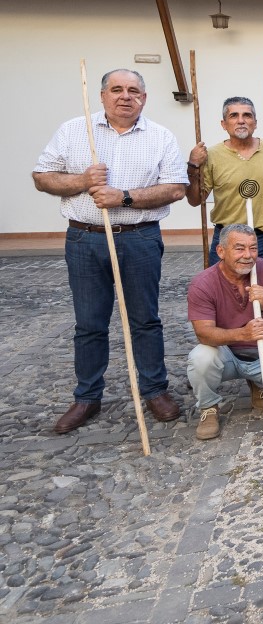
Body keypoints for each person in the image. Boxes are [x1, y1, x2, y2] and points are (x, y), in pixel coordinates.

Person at [34, 68, 188, 434]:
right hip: (85, 239)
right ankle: (87, 397)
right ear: (102, 96)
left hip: (140, 238)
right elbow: (43, 177)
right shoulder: (74, 130)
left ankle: (154, 390)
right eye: (116, 90)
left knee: (145, 320)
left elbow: (176, 188)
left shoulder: (161, 137)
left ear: (144, 98)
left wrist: (126, 197)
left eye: (134, 91)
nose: (125, 96)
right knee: (89, 323)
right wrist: (82, 182)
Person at [186, 96, 263, 351]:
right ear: (224, 123)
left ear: (255, 121)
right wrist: (193, 166)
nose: (241, 120)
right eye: (234, 116)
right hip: (226, 239)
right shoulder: (213, 155)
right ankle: (222, 354)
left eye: (247, 115)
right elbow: (196, 200)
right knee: (221, 294)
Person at [186, 224, 263, 440]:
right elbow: (203, 334)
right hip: (224, 352)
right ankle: (208, 407)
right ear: (221, 251)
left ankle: (257, 381)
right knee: (200, 358)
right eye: (239, 248)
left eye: (253, 248)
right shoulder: (203, 283)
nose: (248, 256)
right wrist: (242, 334)